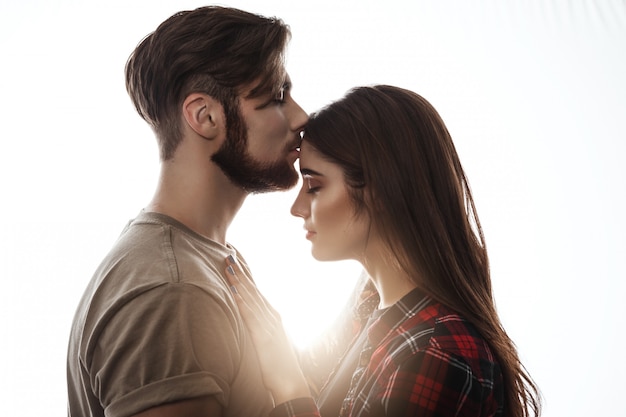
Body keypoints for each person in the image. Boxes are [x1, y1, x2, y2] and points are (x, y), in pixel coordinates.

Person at [226, 85, 542, 417]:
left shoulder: (437, 352)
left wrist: (289, 386)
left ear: (382, 189)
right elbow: (316, 389)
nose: (297, 208)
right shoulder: (370, 307)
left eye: (315, 186)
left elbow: (297, 387)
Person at [66, 6, 307, 417]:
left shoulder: (203, 259)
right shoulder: (173, 292)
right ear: (205, 116)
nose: (301, 117)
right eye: (276, 98)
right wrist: (296, 397)